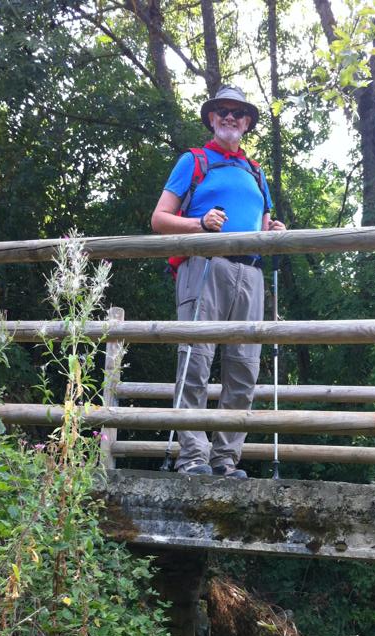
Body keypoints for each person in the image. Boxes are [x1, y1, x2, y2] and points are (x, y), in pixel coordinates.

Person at [151, 84, 286, 478]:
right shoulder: (194, 160)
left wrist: (273, 228)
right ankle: (193, 456)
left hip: (251, 272)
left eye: (237, 112)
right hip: (204, 264)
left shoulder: (256, 172)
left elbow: (261, 223)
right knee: (196, 360)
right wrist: (199, 223)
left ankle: (225, 460)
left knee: (244, 369)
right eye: (222, 111)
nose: (230, 117)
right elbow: (160, 219)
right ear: (211, 118)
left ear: (246, 122)